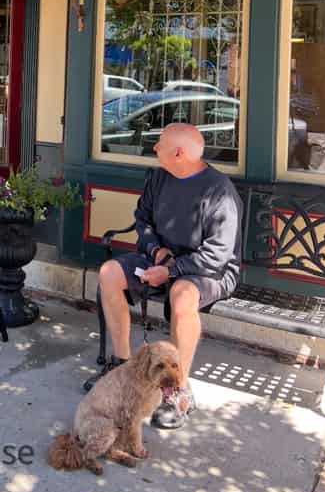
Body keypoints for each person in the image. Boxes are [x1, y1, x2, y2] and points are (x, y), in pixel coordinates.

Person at [84, 123, 242, 430]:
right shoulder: (159, 177)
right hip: (161, 259)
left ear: (179, 152)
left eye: (160, 143)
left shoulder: (220, 192)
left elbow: (217, 255)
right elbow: (142, 220)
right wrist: (157, 253)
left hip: (208, 271)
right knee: (109, 273)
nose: (155, 147)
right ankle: (121, 365)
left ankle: (176, 389)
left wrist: (170, 270)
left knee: (182, 295)